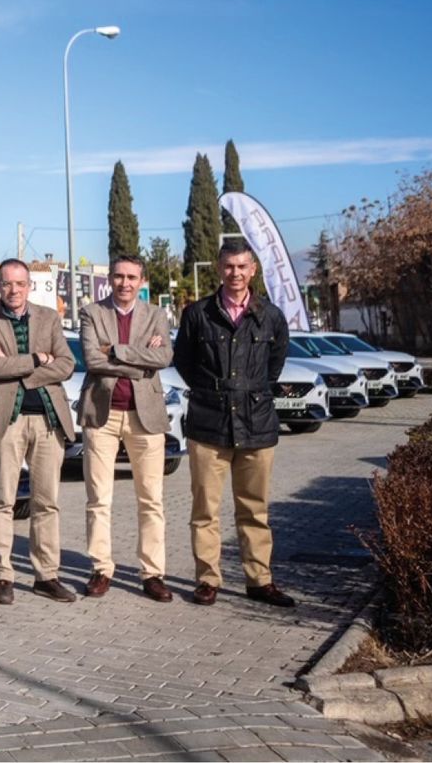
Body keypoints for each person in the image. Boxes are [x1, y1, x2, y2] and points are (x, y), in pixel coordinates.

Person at [173, 240, 293, 607]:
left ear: (253, 269)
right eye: (228, 266)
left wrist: (248, 393)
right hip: (208, 424)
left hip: (257, 425)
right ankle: (207, 579)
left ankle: (259, 580)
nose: (235, 273)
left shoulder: (270, 316)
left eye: (242, 266)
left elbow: (274, 366)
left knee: (254, 508)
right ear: (219, 269)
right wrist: (214, 393)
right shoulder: (197, 314)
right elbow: (184, 363)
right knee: (205, 509)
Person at [0, 258, 77, 604]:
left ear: (29, 285)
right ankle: (2, 575)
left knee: (47, 502)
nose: (13, 290)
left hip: (47, 420)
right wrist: (37, 359)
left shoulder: (48, 317)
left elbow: (67, 364)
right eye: (6, 284)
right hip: (4, 421)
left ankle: (46, 575)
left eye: (20, 283)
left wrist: (25, 364)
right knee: (2, 500)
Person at [77, 254, 174, 603]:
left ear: (142, 281)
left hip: (144, 416)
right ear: (110, 279)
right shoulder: (92, 312)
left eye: (132, 277)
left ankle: (152, 574)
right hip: (101, 415)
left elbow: (163, 359)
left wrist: (115, 351)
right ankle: (101, 569)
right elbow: (92, 359)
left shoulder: (156, 315)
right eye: (118, 276)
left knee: (151, 500)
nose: (125, 283)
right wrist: (138, 362)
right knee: (98, 499)